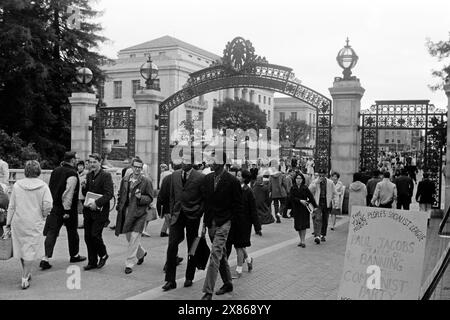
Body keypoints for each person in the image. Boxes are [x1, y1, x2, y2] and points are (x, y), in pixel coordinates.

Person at [200, 152, 243, 300]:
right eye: (211, 159)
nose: (211, 162)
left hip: (225, 223)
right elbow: (207, 203)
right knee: (221, 254)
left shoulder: (232, 181)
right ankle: (228, 283)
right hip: (211, 223)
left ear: (222, 163)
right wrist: (205, 224)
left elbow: (238, 206)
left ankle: (207, 291)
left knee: (215, 254)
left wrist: (233, 226)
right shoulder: (207, 179)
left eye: (215, 160)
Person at [5, 160, 53, 289]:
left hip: (19, 221)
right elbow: (48, 204)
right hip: (35, 221)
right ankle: (25, 277)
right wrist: (43, 215)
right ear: (38, 170)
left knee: (21, 247)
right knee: (30, 248)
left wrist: (8, 222)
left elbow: (12, 206)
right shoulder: (43, 186)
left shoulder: (17, 185)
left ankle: (26, 272)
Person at [162, 159, 205, 291]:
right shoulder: (175, 175)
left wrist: (199, 212)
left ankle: (189, 276)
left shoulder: (200, 177)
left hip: (193, 216)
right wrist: (170, 212)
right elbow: (172, 196)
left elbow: (204, 198)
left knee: (191, 246)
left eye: (187, 160)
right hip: (177, 215)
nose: (184, 163)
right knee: (172, 245)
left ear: (193, 162)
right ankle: (170, 280)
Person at [40, 152, 86, 270]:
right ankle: (74, 255)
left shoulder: (56, 170)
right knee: (72, 232)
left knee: (52, 232)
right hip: (66, 208)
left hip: (54, 206)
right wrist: (67, 210)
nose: (76, 161)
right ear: (72, 160)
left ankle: (45, 258)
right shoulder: (72, 173)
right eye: (75, 159)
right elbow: (68, 193)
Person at [115, 158, 154, 274]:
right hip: (126, 212)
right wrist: (118, 205)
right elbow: (120, 194)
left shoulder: (146, 181)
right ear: (131, 167)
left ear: (142, 168)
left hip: (139, 213)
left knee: (134, 237)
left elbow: (150, 198)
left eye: (140, 167)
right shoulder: (125, 179)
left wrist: (140, 198)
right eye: (135, 167)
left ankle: (129, 264)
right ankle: (141, 253)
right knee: (129, 237)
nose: (137, 169)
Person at [226, 169, 261, 279]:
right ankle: (249, 260)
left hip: (245, 223)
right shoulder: (234, 189)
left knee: (239, 246)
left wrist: (257, 227)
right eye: (237, 175)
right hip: (234, 221)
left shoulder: (249, 191)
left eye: (240, 176)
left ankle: (239, 270)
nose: (237, 177)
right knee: (238, 246)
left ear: (245, 178)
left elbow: (253, 210)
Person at [82, 153, 114, 270]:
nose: (92, 164)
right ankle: (92, 261)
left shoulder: (106, 176)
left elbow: (109, 194)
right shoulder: (89, 175)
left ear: (100, 162)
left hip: (100, 212)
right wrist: (84, 187)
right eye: (90, 162)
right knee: (87, 237)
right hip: (89, 211)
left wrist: (97, 203)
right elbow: (87, 193)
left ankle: (103, 254)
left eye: (94, 162)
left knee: (95, 235)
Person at [288, 172, 317, 248]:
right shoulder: (293, 188)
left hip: (304, 209)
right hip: (296, 208)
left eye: (300, 178)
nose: (298, 180)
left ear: (302, 180)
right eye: (297, 178)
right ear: (295, 179)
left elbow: (311, 197)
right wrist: (300, 200)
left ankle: (303, 241)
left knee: (303, 225)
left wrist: (315, 206)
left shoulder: (305, 188)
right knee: (298, 226)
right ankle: (301, 240)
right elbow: (291, 198)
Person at [309, 169, 336, 243]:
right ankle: (317, 235)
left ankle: (322, 235)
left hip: (327, 202)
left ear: (325, 175)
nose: (321, 177)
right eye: (320, 175)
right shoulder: (315, 181)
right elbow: (310, 190)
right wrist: (316, 183)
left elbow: (334, 192)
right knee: (318, 218)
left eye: (322, 175)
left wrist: (334, 202)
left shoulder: (330, 182)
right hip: (318, 202)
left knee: (325, 219)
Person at [77, 160, 87, 228]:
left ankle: (85, 223)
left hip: (83, 195)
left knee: (85, 210)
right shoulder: (76, 173)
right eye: (79, 166)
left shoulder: (86, 174)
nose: (80, 167)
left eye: (81, 166)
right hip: (77, 194)